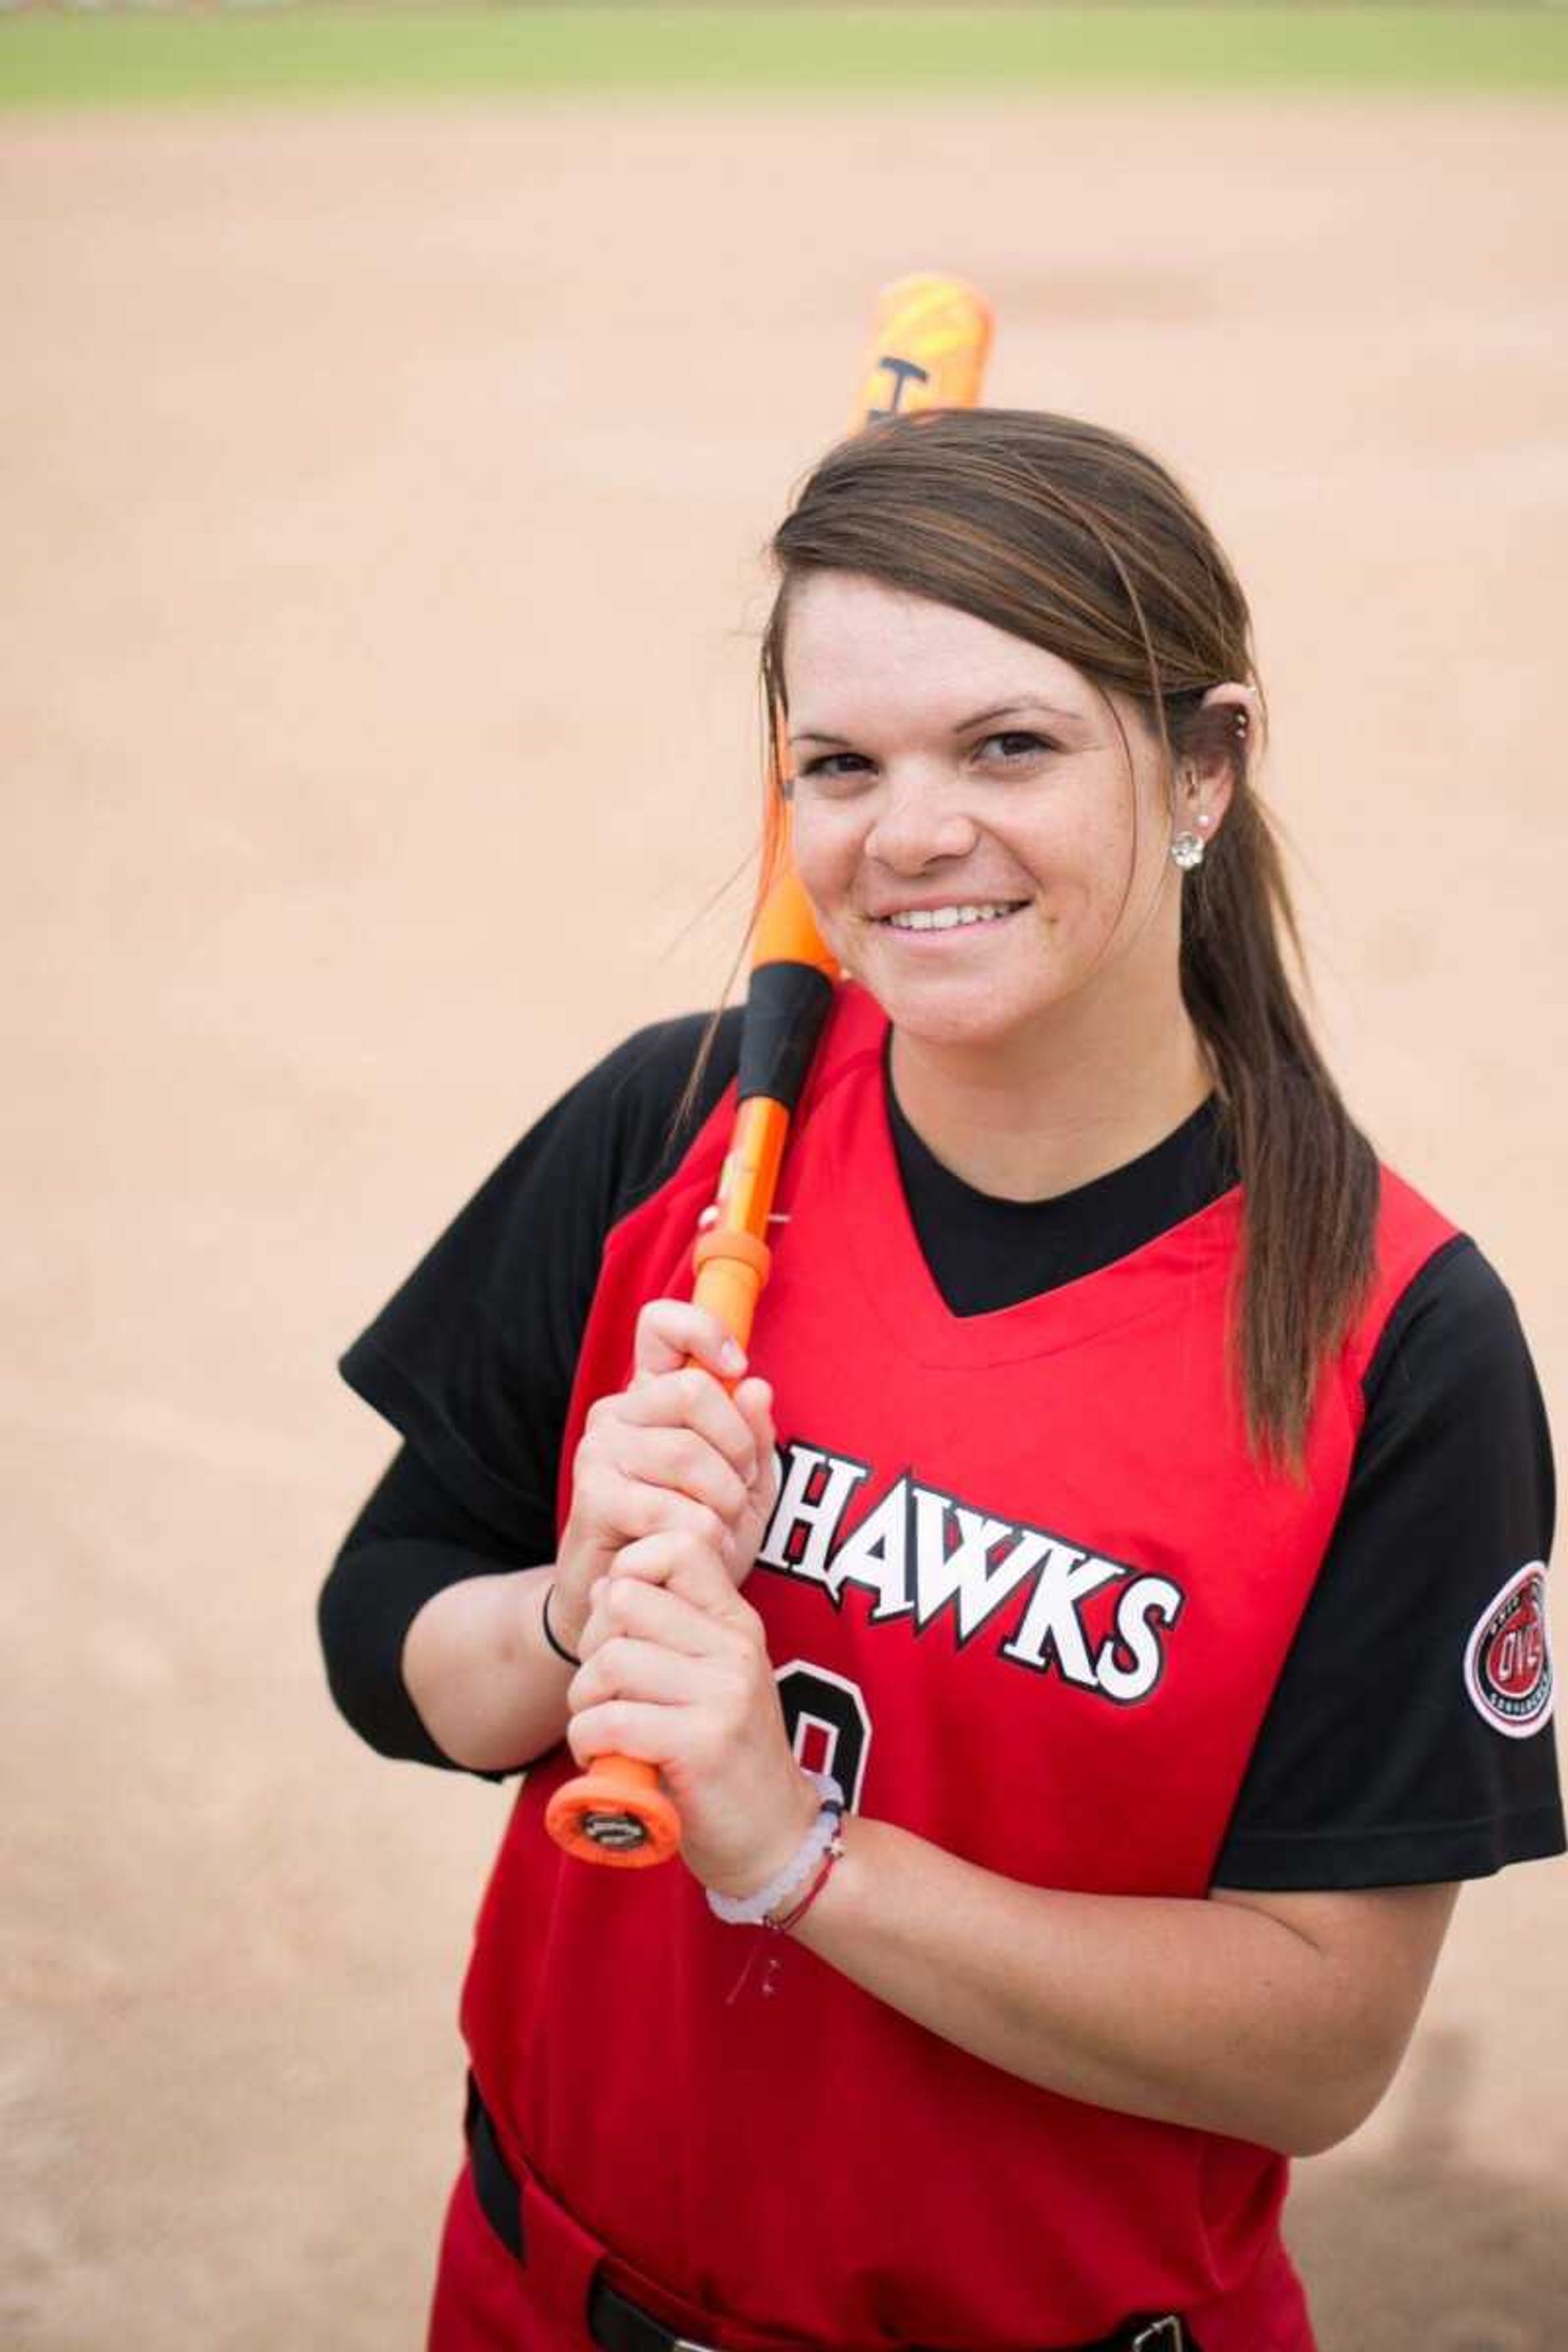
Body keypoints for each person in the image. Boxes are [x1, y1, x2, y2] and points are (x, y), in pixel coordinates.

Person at [319, 408, 1562, 2352]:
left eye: (1011, 745)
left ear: (1207, 767)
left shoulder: (1389, 1336)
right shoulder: (684, 1123)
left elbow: (1321, 2046)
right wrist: (573, 1613)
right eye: (841, 762)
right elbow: (382, 1646)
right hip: (535, 2294)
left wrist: (801, 1858)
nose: (910, 834)